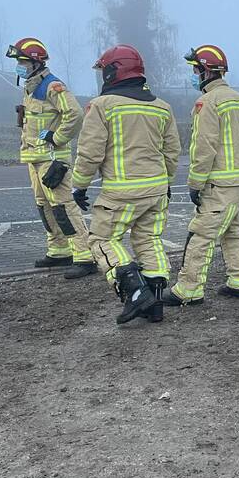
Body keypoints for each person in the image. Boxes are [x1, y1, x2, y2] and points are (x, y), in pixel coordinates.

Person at [71, 45, 180, 324]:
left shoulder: (102, 106)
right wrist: (167, 181)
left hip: (122, 191)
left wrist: (79, 185)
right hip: (157, 189)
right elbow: (171, 151)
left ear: (112, 72)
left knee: (101, 239)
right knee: (149, 240)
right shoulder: (162, 107)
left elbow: (90, 152)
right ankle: (155, 304)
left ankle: (136, 293)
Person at [161, 45, 239, 306]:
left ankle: (189, 289)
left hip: (219, 184)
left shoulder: (207, 102)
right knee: (236, 231)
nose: (194, 75)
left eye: (195, 70)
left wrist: (195, 183)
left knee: (201, 235)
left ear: (206, 71)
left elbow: (203, 147)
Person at [6, 37, 96, 279]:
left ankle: (84, 256)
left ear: (36, 63)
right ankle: (59, 250)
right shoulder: (31, 88)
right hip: (35, 158)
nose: (19, 66)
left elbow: (75, 114)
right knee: (44, 206)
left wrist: (57, 137)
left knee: (63, 206)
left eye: (22, 62)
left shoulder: (52, 86)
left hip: (52, 159)